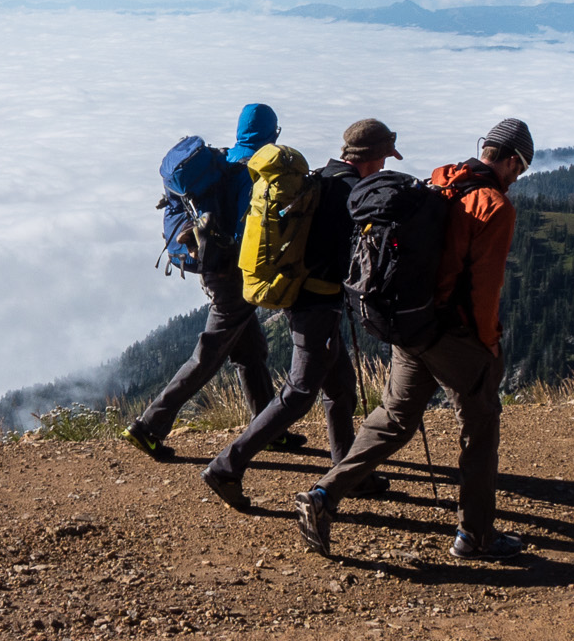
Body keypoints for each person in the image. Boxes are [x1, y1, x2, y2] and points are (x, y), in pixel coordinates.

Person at [293, 117, 535, 561]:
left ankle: (323, 496)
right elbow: (485, 290)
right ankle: (475, 536)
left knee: (392, 420)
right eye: (518, 168)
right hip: (454, 334)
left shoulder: (440, 182)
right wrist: (490, 344)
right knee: (481, 425)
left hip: (410, 324)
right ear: (508, 159)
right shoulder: (493, 206)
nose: (517, 177)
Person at [198, 119, 404, 508]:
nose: (382, 167)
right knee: (299, 393)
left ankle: (348, 472)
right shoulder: (352, 193)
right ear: (373, 156)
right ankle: (226, 466)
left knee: (340, 387)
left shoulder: (321, 177)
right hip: (316, 306)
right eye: (382, 159)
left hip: (303, 299)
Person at [121, 103, 299, 460]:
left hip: (214, 268)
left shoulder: (224, 159)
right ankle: (148, 426)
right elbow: (247, 230)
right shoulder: (256, 170)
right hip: (234, 272)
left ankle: (270, 428)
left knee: (251, 353)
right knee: (208, 356)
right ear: (273, 134)